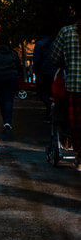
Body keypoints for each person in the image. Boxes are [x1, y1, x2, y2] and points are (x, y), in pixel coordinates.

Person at [51, 14, 81, 166]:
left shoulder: (66, 32)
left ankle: (79, 154)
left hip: (74, 85)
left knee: (76, 123)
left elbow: (54, 57)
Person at [0, 34, 25, 131]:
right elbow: (18, 66)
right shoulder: (12, 53)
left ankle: (5, 119)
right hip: (11, 77)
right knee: (9, 99)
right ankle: (7, 121)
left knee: (1, 99)